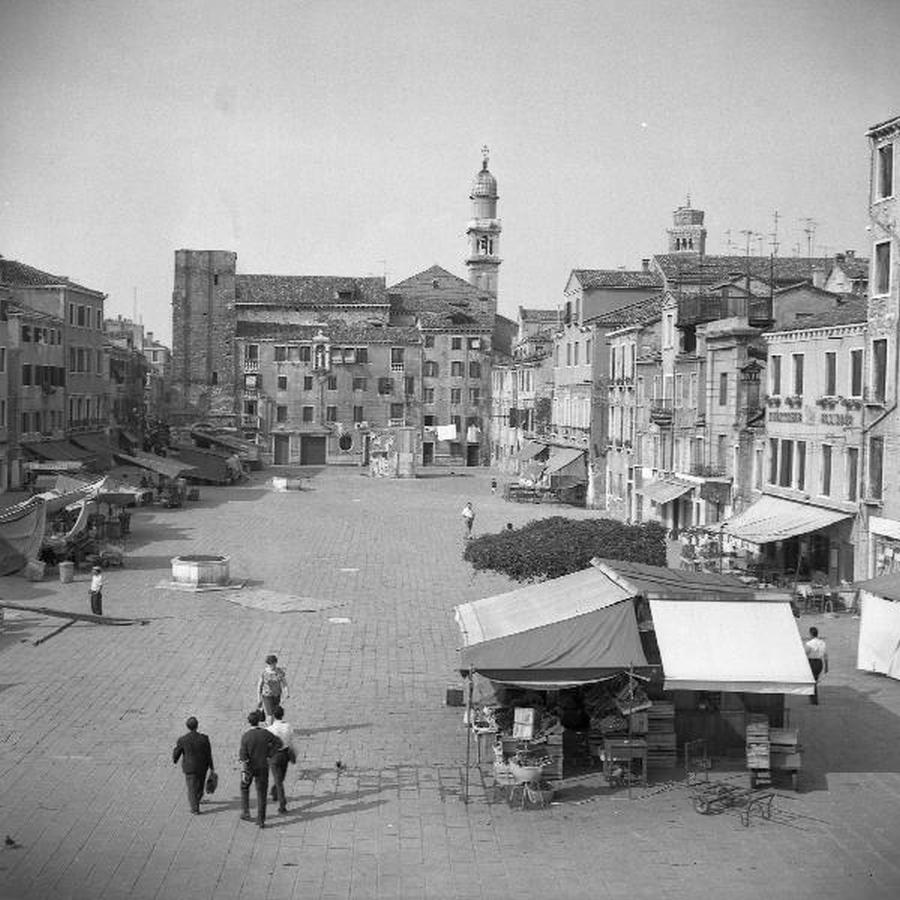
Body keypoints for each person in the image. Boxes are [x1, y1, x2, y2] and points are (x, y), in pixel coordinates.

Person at [239, 709, 282, 828]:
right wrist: (270, 754)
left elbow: (243, 756)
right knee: (262, 793)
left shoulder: (246, 736)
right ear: (258, 721)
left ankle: (246, 812)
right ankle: (261, 820)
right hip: (263, 766)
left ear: (249, 722)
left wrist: (244, 770)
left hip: (250, 767)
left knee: (244, 787)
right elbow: (278, 743)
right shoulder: (265, 733)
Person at [172, 716, 214, 814]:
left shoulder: (182, 739)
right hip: (202, 766)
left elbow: (177, 753)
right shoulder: (204, 738)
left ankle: (195, 808)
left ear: (187, 727)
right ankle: (197, 799)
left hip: (189, 767)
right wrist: (211, 766)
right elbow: (208, 753)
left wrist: (175, 758)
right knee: (200, 784)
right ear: (197, 726)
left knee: (191, 787)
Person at [267, 705, 296, 814]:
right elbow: (291, 741)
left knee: (279, 780)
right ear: (282, 715)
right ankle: (277, 794)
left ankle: (281, 802)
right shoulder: (288, 726)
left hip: (274, 756)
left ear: (274, 716)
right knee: (281, 778)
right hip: (285, 755)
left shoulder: (270, 729)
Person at [257, 654, 288, 724]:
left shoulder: (279, 672)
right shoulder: (264, 673)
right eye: (269, 664)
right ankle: (270, 728)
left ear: (276, 663)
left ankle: (271, 725)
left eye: (273, 664)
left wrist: (286, 692)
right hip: (267, 696)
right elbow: (259, 686)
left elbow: (284, 683)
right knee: (270, 714)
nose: (271, 666)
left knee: (274, 712)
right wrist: (259, 698)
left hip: (277, 695)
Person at [804, 626, 828, 705]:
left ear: (811, 634)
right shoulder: (822, 643)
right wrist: (826, 667)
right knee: (815, 680)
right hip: (819, 663)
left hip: (812, 662)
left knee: (812, 681)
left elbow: (806, 654)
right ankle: (813, 698)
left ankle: (814, 700)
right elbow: (825, 655)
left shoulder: (809, 644)